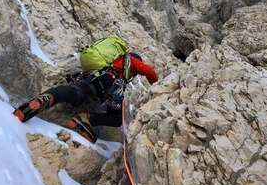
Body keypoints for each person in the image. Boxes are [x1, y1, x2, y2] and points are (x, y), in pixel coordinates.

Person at [13, 52, 158, 143]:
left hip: (91, 78)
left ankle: (45, 98)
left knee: (73, 91)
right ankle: (85, 119)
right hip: (109, 85)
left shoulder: (111, 58)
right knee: (116, 118)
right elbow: (149, 71)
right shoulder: (130, 61)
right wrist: (159, 88)